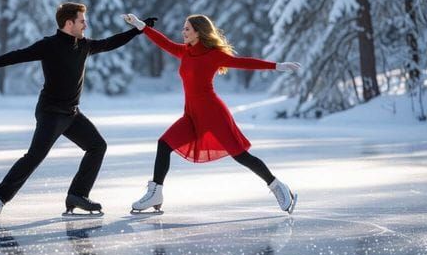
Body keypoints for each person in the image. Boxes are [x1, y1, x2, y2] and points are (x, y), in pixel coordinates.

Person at [0, 2, 155, 218]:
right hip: (51, 112)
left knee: (97, 146)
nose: (85, 25)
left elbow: (110, 43)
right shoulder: (49, 45)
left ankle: (77, 195)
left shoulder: (84, 45)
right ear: (69, 22)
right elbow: (17, 55)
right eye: (82, 21)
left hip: (72, 113)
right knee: (35, 156)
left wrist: (139, 29)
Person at [122, 13, 302, 216]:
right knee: (164, 144)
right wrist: (140, 25)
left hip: (213, 114)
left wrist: (277, 66)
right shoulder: (185, 52)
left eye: (187, 29)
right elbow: (163, 42)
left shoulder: (213, 55)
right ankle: (156, 193)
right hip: (191, 115)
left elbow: (244, 62)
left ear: (198, 32)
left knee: (241, 155)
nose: (183, 32)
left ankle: (278, 186)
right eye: (184, 28)